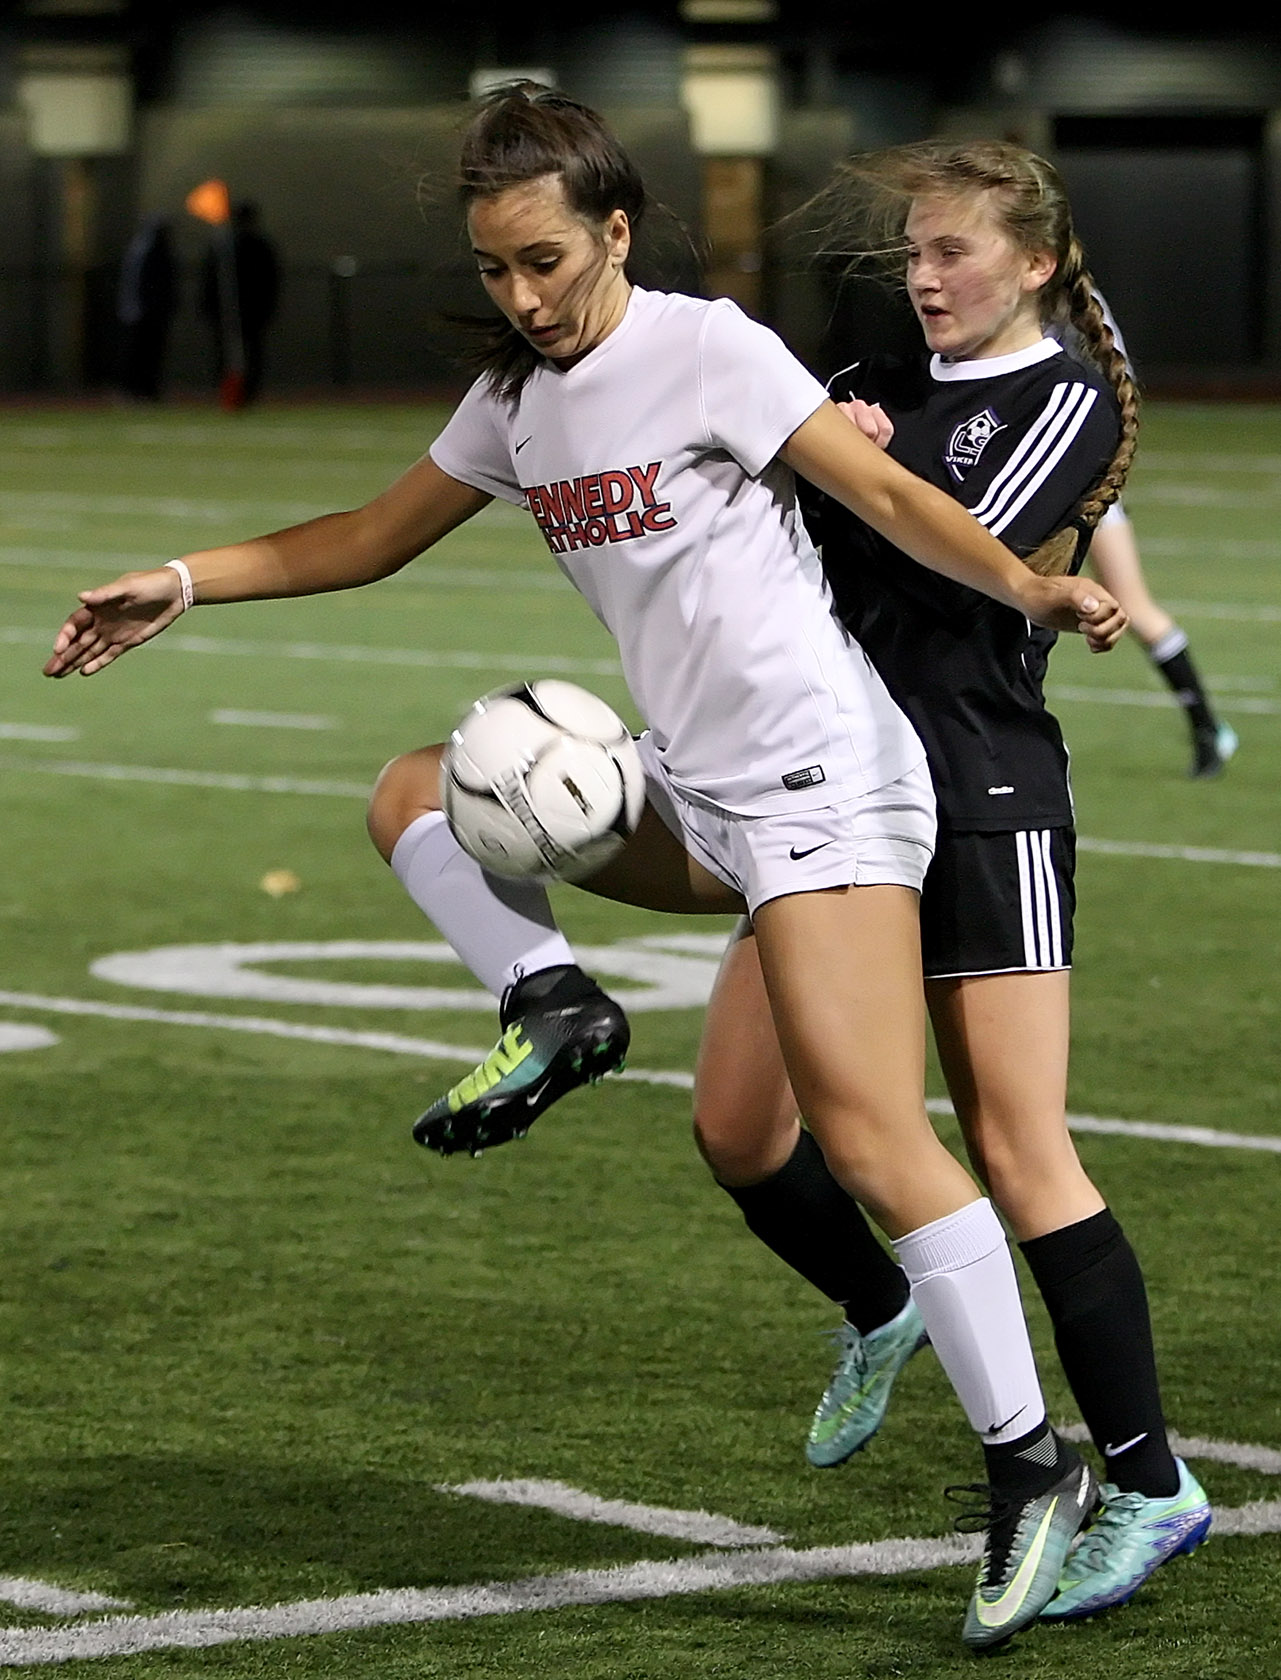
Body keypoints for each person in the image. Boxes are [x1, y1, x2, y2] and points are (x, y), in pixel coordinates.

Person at [44, 87, 1128, 1650]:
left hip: (827, 787)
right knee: (420, 789)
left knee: (877, 1139)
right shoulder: (517, 399)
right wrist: (183, 582)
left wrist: (1031, 583)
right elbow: (368, 532)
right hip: (693, 787)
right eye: (496, 272)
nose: (525, 298)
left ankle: (1035, 1473)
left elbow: (885, 494)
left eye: (546, 262)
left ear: (615, 231)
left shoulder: (706, 346)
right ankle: (553, 1000)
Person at [689, 139, 1212, 1627]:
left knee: (1014, 1141)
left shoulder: (1066, 400)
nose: (922, 280)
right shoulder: (880, 370)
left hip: (977, 790)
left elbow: (946, 552)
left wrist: (839, 455)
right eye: (911, 255)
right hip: (827, 787)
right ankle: (887, 1300)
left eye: (953, 255)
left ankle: (1149, 1480)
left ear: (1035, 261)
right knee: (741, 1125)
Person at [1058, 300, 1237, 779]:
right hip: (1059, 483)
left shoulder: (1066, 307)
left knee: (1132, 606)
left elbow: (1115, 393)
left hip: (1082, 484)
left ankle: (1207, 728)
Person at [200, 201, 281, 405]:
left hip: (249, 311)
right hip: (232, 312)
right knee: (233, 353)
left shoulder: (252, 246)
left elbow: (269, 280)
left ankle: (245, 393)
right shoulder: (225, 247)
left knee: (246, 353)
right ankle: (232, 393)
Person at [116, 214, 178, 402]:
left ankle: (143, 389)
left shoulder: (140, 249)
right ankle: (136, 389)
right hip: (145, 312)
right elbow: (147, 284)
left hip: (142, 311)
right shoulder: (148, 251)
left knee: (147, 354)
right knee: (142, 353)